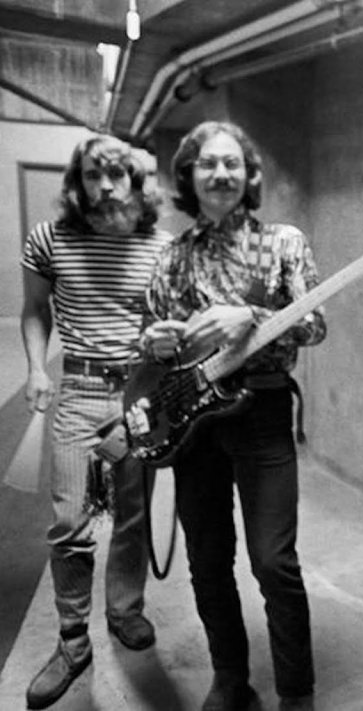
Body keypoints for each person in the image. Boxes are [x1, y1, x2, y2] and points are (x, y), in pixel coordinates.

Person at [141, 120, 326, 711]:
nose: (220, 174)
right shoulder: (172, 256)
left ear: (249, 176)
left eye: (231, 164)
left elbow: (315, 324)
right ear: (188, 178)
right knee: (208, 558)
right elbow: (156, 343)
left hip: (263, 409)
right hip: (194, 421)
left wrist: (249, 313)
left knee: (275, 561)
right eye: (206, 165)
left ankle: (296, 690)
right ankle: (230, 677)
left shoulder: (284, 242)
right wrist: (160, 340)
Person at [20, 134, 171, 710]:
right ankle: (72, 638)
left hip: (140, 391)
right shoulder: (50, 239)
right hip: (79, 391)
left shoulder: (163, 246)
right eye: (91, 175)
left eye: (116, 173)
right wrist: (37, 368)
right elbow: (34, 310)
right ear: (76, 182)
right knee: (69, 522)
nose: (104, 185)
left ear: (136, 181)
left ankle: (125, 611)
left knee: (132, 517)